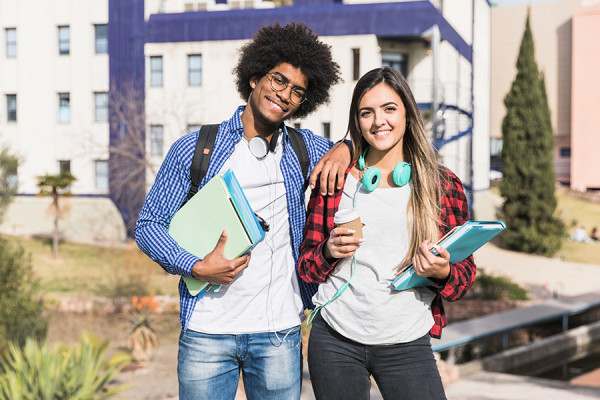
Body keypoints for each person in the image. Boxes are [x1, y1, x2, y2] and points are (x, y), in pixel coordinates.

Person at [135, 22, 348, 400]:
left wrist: (346, 147)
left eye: (297, 91)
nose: (284, 95)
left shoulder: (306, 148)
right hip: (206, 333)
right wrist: (195, 266)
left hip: (279, 334)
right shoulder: (196, 148)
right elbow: (149, 226)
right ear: (254, 78)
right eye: (278, 80)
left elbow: (361, 147)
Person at [298, 67, 477, 400]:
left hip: (407, 340)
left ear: (407, 114)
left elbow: (465, 275)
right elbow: (306, 266)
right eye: (367, 112)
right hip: (336, 339)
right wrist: (328, 251)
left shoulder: (442, 184)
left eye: (389, 109)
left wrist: (443, 272)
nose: (378, 121)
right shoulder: (336, 180)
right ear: (357, 121)